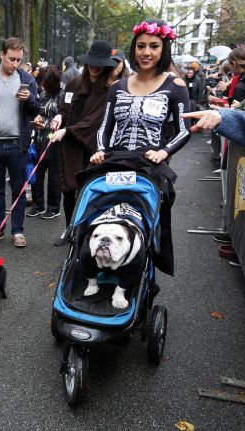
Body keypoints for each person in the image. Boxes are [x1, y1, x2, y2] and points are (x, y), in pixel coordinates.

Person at [90, 19, 191, 275]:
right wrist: (101, 149)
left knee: (152, 218)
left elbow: (183, 130)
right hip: (114, 160)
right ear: (134, 49)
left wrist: (163, 152)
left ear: (163, 49)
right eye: (141, 46)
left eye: (154, 46)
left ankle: (143, 265)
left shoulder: (175, 86)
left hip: (151, 165)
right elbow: (104, 127)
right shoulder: (118, 86)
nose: (146, 52)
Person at [48, 41, 118, 246]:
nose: (94, 67)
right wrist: (60, 117)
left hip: (92, 147)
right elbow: (64, 107)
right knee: (69, 191)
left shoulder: (109, 90)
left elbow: (94, 121)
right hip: (69, 146)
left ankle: (88, 232)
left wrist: (66, 130)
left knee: (90, 191)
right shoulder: (74, 84)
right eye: (91, 63)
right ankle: (69, 229)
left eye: (99, 64)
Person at [0, 37, 41, 248]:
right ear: (2, 55)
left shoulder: (27, 80)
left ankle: (18, 231)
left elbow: (36, 109)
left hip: (18, 144)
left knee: (18, 189)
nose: (15, 64)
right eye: (12, 59)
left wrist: (29, 99)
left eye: (19, 60)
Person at [28, 65, 62, 220]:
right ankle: (37, 205)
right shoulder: (43, 95)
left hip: (55, 141)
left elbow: (65, 119)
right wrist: (38, 118)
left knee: (54, 175)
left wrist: (47, 125)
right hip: (39, 138)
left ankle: (54, 207)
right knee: (37, 172)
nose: (43, 85)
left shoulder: (62, 96)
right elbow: (39, 112)